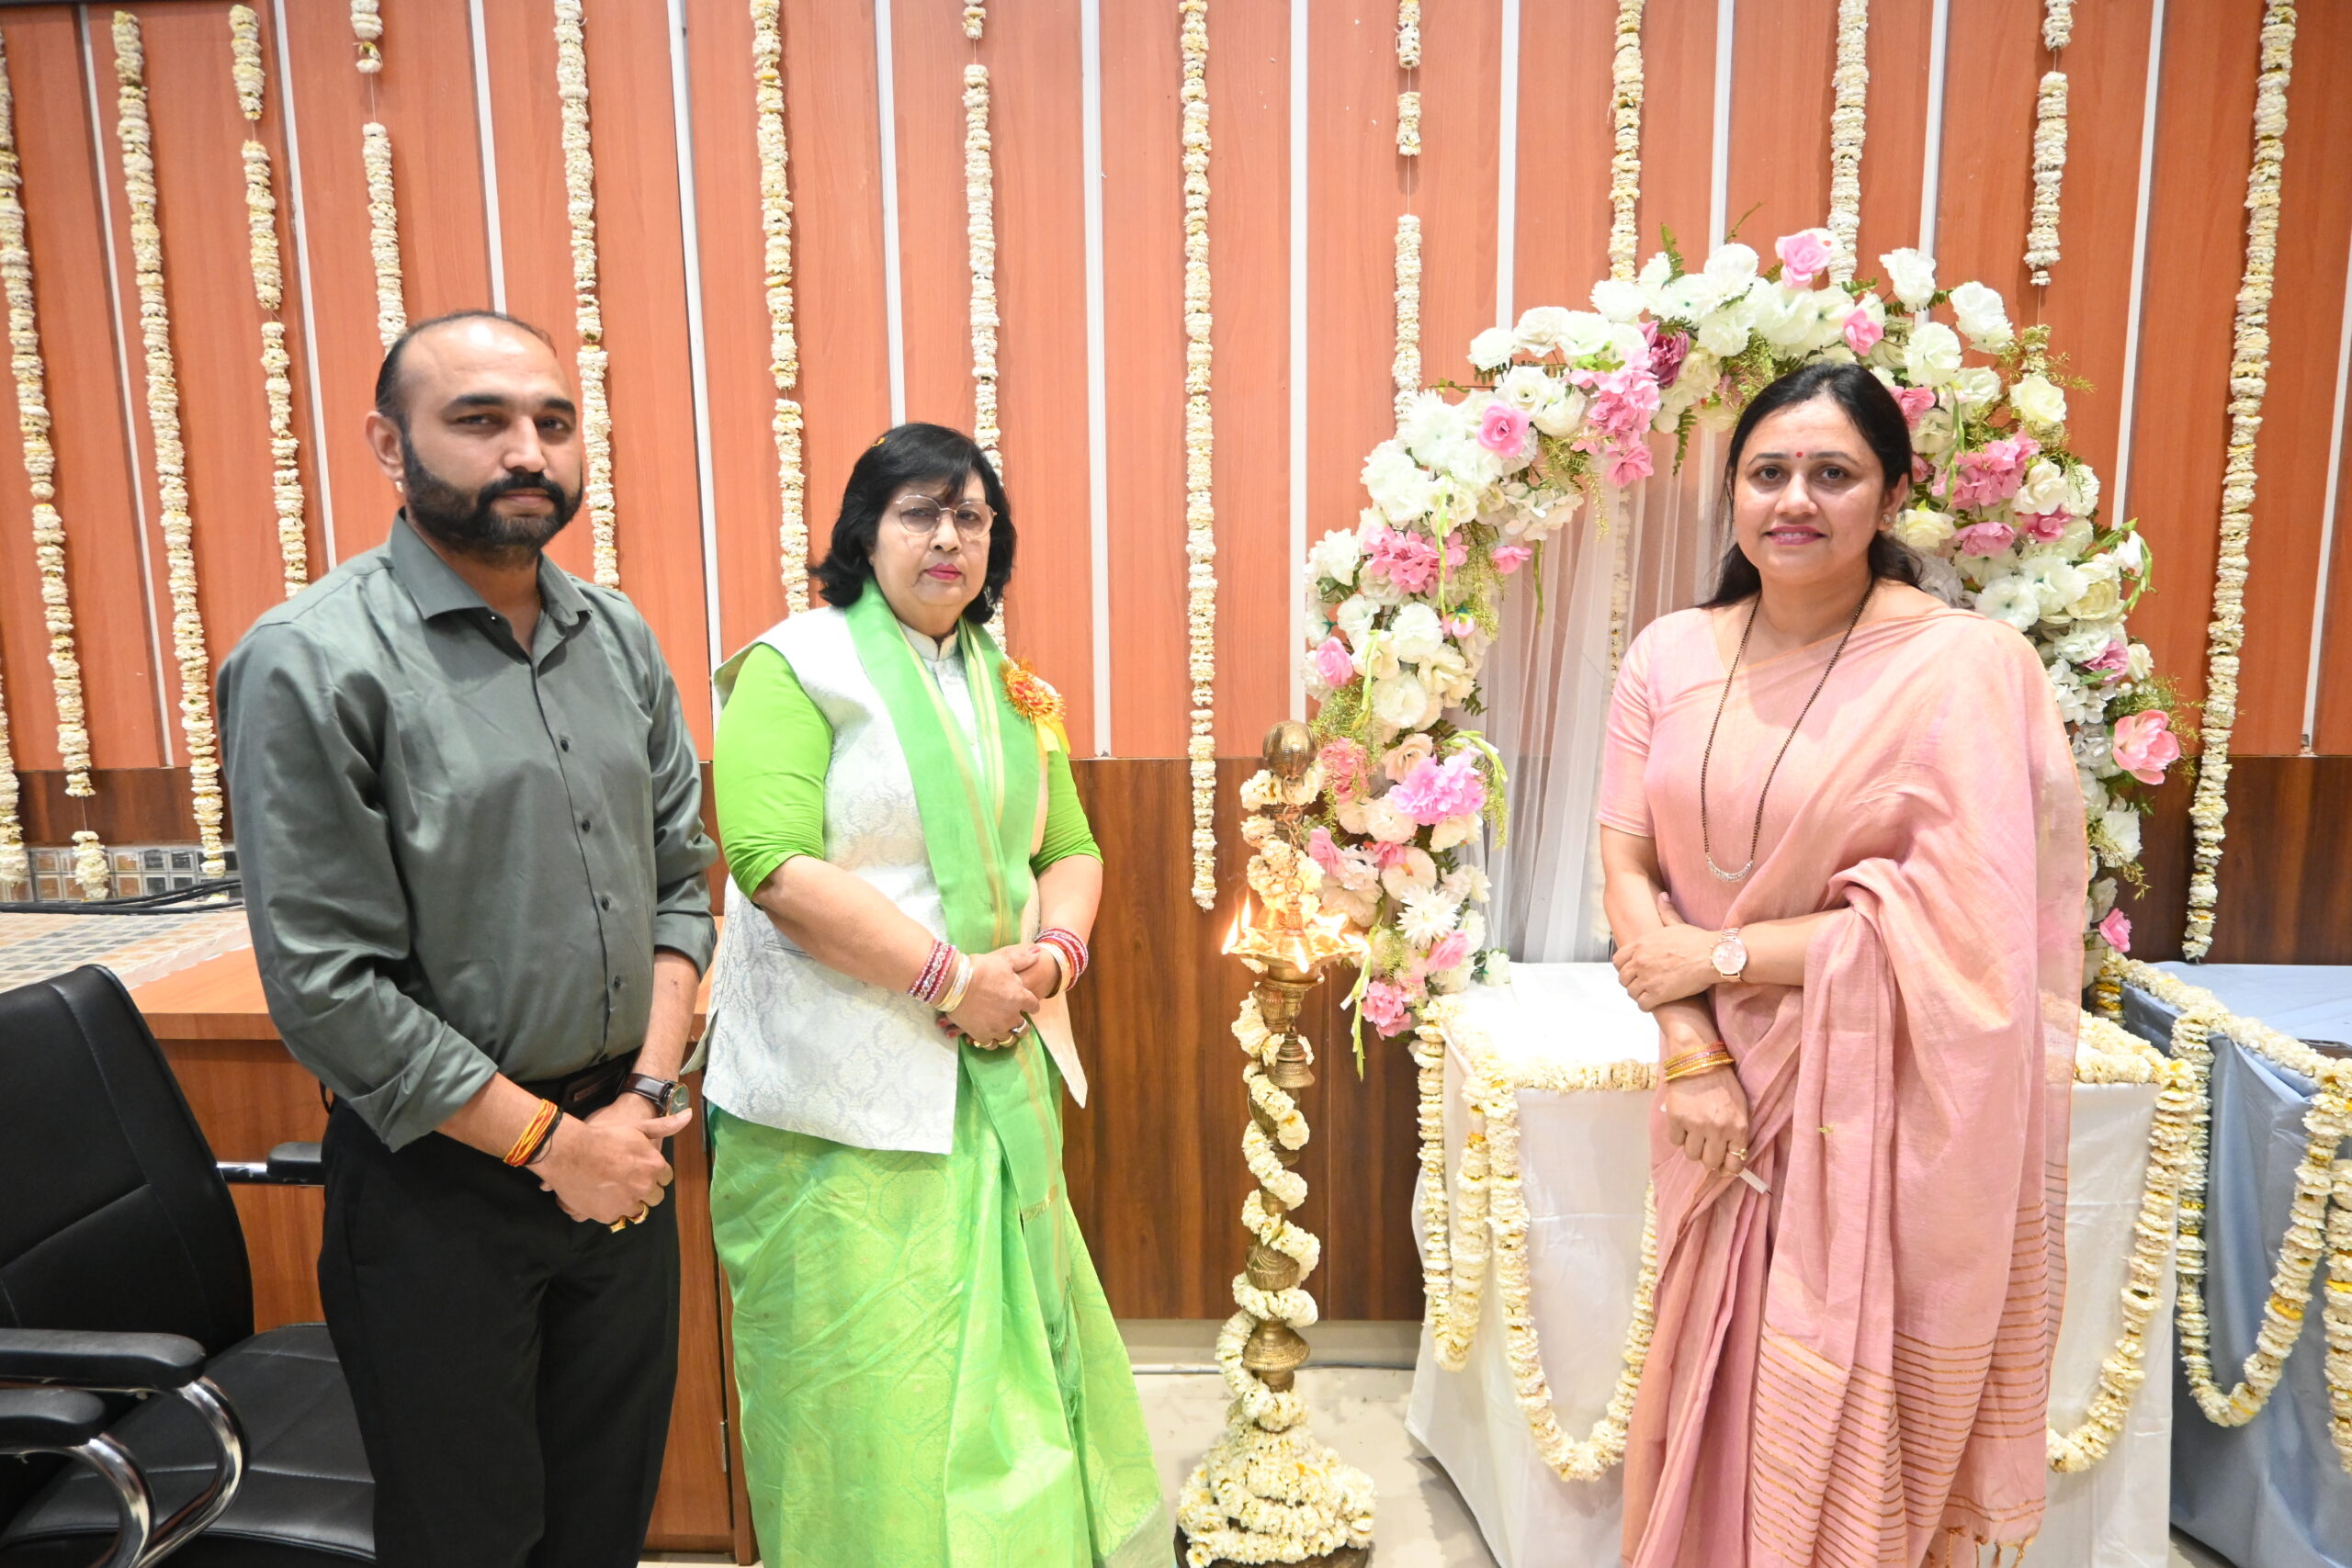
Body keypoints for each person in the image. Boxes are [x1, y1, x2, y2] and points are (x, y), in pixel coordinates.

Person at [218, 310, 715, 1568]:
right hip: (443, 1185)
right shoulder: (312, 659)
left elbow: (680, 882)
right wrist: (557, 1147)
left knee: (602, 1523)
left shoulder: (618, 635)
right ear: (391, 444)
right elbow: (328, 987)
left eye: (552, 420)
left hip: (625, 1152)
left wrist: (641, 1102)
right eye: (480, 420)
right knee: (469, 1538)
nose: (527, 451)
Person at [1596, 361, 2084, 1567]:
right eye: (1768, 471)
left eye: (1833, 472)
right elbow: (1626, 863)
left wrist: (1717, 952)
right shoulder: (1668, 654)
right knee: (1706, 1367)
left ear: (1893, 492)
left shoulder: (1965, 667)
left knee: (1836, 1384)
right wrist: (1693, 1046)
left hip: (1880, 1091)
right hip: (1714, 1087)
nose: (1795, 500)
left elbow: (1966, 932)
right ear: (1731, 491)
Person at [701, 423, 1169, 1565]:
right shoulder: (796, 665)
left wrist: (1051, 959)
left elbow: (1069, 846)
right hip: (834, 1113)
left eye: (970, 515)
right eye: (918, 512)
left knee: (1009, 1394)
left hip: (990, 1075)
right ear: (864, 534)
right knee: (869, 1406)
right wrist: (951, 979)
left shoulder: (1010, 686)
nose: (948, 537)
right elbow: (769, 861)